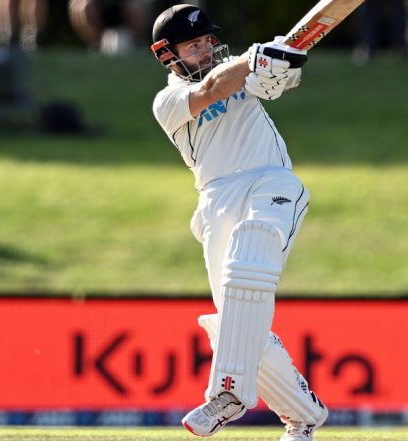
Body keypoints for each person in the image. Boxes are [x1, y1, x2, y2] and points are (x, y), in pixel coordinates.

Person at [150, 4, 327, 441]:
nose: (207, 51)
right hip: (215, 201)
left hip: (271, 180)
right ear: (167, 56)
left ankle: (228, 394)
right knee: (237, 318)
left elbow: (272, 82)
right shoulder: (167, 102)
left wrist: (279, 63)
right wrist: (254, 58)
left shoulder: (237, 67)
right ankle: (304, 417)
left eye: (208, 41)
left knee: (252, 256)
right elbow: (212, 89)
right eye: (194, 45)